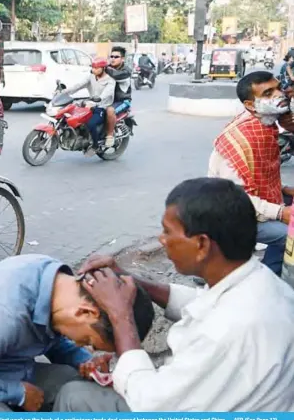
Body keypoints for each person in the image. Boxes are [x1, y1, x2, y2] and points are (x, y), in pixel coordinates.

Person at [54, 177, 294, 412]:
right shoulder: (259, 281)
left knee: (75, 396)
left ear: (202, 244)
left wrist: (120, 314)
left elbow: (149, 404)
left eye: (168, 231)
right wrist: (125, 275)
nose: (162, 239)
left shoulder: (225, 332)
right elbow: (200, 303)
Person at [0, 254, 155, 412]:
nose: (87, 345)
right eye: (91, 342)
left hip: (9, 368)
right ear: (84, 312)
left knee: (76, 385)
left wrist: (85, 362)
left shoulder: (59, 286)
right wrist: (17, 393)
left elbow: (52, 337)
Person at [208, 71, 294, 275]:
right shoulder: (244, 138)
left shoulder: (266, 124)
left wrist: (282, 190)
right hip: (232, 213)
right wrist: (281, 213)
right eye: (268, 93)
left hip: (251, 201)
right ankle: (268, 278)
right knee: (291, 234)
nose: (279, 95)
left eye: (279, 88)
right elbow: (236, 199)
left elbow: (257, 176)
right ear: (250, 105)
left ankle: (270, 271)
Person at [59, 57, 115, 156]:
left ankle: (95, 145)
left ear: (103, 68)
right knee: (70, 117)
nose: (94, 70)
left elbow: (108, 92)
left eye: (97, 68)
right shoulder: (91, 77)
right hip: (89, 104)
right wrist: (64, 92)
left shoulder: (110, 80)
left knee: (91, 124)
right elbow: (78, 85)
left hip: (102, 106)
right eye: (93, 67)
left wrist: (99, 98)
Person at [104, 46, 132, 148]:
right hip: (107, 99)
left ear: (122, 59)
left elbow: (116, 75)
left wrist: (104, 68)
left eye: (116, 56)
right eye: (111, 56)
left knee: (110, 111)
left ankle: (110, 136)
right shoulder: (108, 68)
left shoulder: (126, 71)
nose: (113, 58)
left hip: (122, 101)